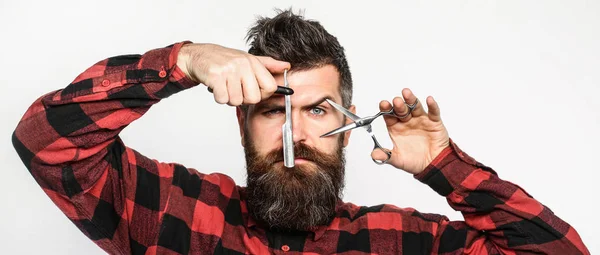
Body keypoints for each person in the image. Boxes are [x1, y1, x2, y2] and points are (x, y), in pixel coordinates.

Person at [12, 9, 589, 255]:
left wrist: (446, 166)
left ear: (347, 125)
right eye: (272, 110)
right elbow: (46, 143)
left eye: (318, 111)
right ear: (243, 119)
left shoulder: (406, 241)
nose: (296, 135)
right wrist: (183, 61)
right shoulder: (173, 215)